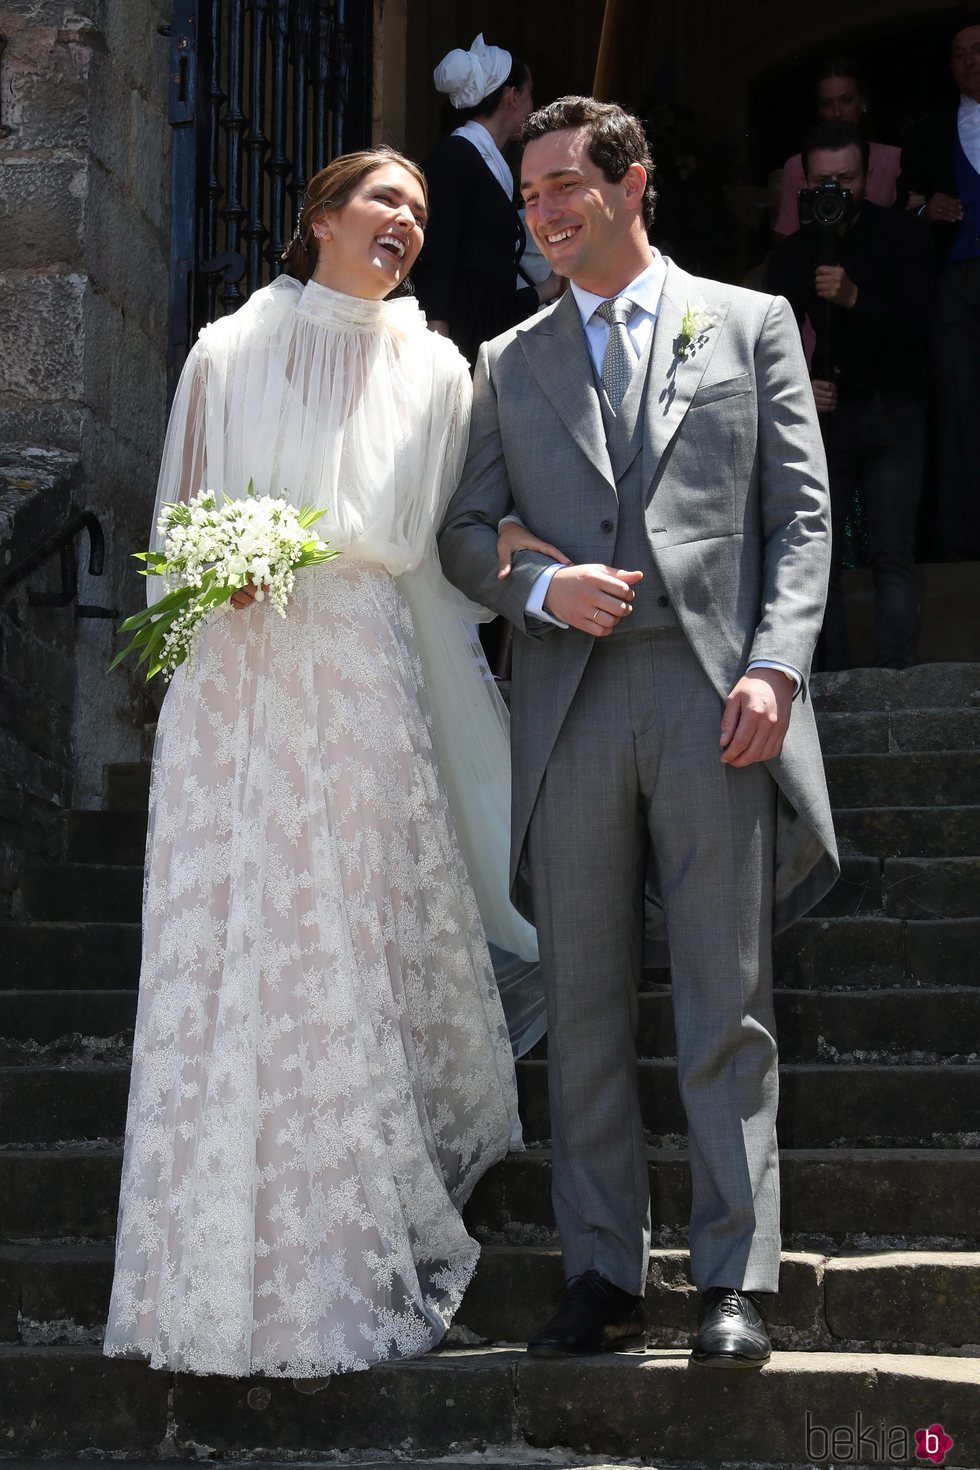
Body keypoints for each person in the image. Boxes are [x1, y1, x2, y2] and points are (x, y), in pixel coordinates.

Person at [103, 147, 549, 1380]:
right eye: (382, 199)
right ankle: (206, 1268)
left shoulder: (441, 367)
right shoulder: (225, 349)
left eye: (416, 206)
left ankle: (341, 1237)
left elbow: (451, 539)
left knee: (339, 940)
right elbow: (175, 523)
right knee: (226, 941)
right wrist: (213, 570)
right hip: (234, 681)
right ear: (320, 218)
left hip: (359, 666)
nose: (404, 221)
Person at [439, 97, 838, 1370]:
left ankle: (733, 1280)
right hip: (568, 706)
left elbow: (802, 519)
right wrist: (540, 590)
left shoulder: (748, 322)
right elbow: (464, 533)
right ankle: (601, 1273)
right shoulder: (508, 361)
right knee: (587, 1006)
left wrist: (773, 667)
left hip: (708, 694)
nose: (545, 211)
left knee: (727, 1004)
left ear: (632, 183)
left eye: (563, 185)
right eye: (529, 197)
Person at [767, 122, 934, 670]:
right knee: (820, 554)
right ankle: (832, 683)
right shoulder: (793, 253)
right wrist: (799, 386)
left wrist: (856, 296)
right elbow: (772, 338)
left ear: (867, 176)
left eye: (847, 178)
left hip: (893, 411)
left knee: (891, 551)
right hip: (826, 413)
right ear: (803, 185)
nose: (835, 191)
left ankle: (895, 683)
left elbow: (920, 327)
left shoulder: (901, 237)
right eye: (823, 180)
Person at [413, 33, 561, 366]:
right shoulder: (455, 156)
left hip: (488, 335)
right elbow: (437, 255)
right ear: (513, 95)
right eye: (530, 94)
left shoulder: (489, 162)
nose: (532, 106)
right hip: (460, 346)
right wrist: (439, 353)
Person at [898, 12, 980, 558]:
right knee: (959, 413)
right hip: (956, 285)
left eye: (979, 49)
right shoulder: (930, 131)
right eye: (960, 53)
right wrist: (930, 206)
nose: (970, 61)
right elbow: (903, 203)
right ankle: (963, 551)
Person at [774, 57, 901, 238]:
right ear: (819, 109)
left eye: (846, 100)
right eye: (827, 104)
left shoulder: (894, 160)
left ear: (862, 102)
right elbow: (787, 240)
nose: (837, 112)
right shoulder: (795, 166)